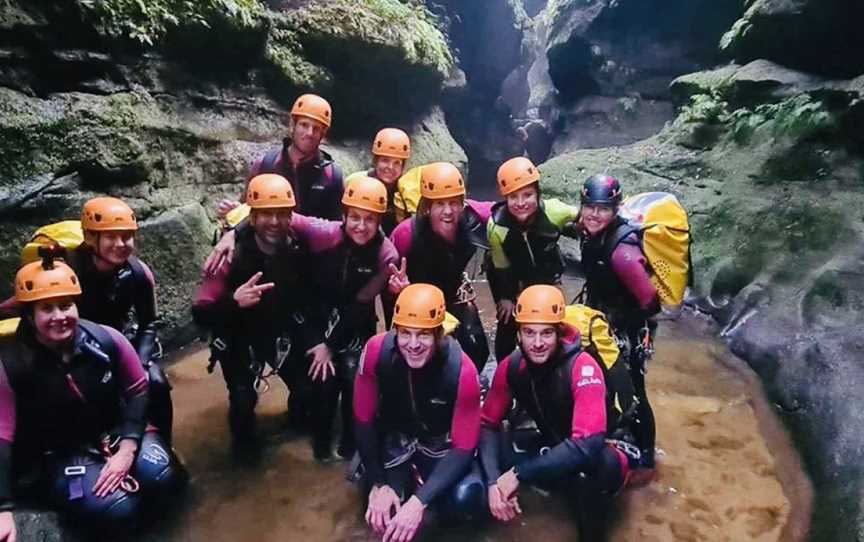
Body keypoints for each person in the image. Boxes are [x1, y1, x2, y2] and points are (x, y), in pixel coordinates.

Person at [0, 250, 183, 539]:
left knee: (163, 476)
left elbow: (138, 391)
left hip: (114, 432)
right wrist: (4, 508)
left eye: (66, 305)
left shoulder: (104, 339)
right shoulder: (10, 364)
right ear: (29, 315)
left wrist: (127, 450)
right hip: (61, 453)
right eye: (47, 308)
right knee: (120, 507)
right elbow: (2, 437)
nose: (59, 316)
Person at [0, 197, 174, 442]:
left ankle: (163, 443)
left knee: (156, 382)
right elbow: (21, 306)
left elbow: (149, 324)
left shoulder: (137, 273)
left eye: (126, 236)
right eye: (111, 237)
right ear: (91, 238)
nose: (121, 244)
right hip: (61, 346)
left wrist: (142, 362)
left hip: (112, 343)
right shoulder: (63, 271)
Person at [479, 285, 635, 541]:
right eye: (529, 333)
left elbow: (587, 444)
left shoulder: (583, 367)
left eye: (546, 333)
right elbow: (487, 423)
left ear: (559, 332)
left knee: (587, 474)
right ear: (518, 334)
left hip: (605, 451)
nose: (537, 343)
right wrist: (494, 482)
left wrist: (519, 474)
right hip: (557, 443)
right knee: (498, 450)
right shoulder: (512, 366)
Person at [192, 174, 314, 460]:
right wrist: (233, 302)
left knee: (307, 389)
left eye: (282, 214)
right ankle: (244, 452)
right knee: (244, 399)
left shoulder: (297, 246)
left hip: (277, 332)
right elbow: (200, 313)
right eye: (266, 214)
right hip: (237, 336)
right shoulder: (229, 255)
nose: (274, 222)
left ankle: (297, 424)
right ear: (253, 216)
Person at [354, 284, 484, 542]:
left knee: (465, 500)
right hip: (396, 439)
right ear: (395, 331)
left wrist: (419, 503)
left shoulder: (463, 371)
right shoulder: (375, 352)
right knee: (383, 517)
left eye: (423, 335)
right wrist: (379, 484)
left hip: (440, 444)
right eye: (405, 334)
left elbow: (464, 446)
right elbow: (363, 419)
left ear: (439, 334)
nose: (413, 345)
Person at [292, 176, 398, 460]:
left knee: (353, 377)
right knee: (322, 381)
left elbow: (361, 305)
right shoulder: (322, 232)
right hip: (317, 316)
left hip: (355, 321)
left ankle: (352, 446)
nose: (361, 226)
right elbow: (277, 216)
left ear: (379, 222)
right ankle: (321, 448)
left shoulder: (386, 255)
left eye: (369, 220)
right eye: (355, 218)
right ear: (344, 216)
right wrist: (232, 233)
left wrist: (330, 345)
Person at [205, 93, 345, 275]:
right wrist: (236, 211)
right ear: (292, 125)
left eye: (316, 129)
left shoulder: (332, 176)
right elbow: (250, 207)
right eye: (304, 125)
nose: (309, 133)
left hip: (308, 265)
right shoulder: (266, 164)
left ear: (323, 134)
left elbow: (335, 230)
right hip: (263, 258)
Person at [578, 174, 659, 473]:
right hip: (603, 319)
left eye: (602, 208)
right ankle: (610, 432)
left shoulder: (624, 254)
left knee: (634, 389)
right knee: (603, 380)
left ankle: (647, 458)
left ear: (615, 209)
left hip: (627, 328)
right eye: (589, 206)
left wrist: (623, 325)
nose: (594, 214)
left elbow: (651, 302)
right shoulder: (589, 231)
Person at [387, 162, 492, 371]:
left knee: (477, 349)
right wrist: (398, 293)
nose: (448, 211)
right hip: (415, 297)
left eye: (454, 203)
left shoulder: (473, 218)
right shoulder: (406, 235)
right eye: (439, 204)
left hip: (452, 293)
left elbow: (506, 211)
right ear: (427, 207)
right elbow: (387, 286)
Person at [486, 156, 580, 361]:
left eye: (527, 195)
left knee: (552, 321)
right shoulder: (497, 226)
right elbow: (501, 266)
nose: (521, 203)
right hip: (511, 276)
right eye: (513, 197)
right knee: (507, 324)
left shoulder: (555, 211)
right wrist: (507, 297)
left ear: (538, 193)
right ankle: (505, 372)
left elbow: (585, 216)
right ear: (505, 198)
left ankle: (555, 366)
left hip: (547, 274)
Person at [345, 128, 412, 235]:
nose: (390, 167)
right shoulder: (354, 182)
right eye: (385, 160)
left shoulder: (407, 192)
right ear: (376, 161)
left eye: (397, 163)